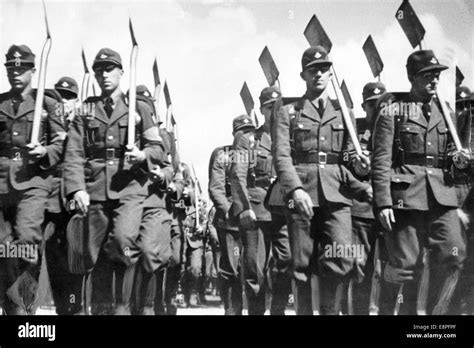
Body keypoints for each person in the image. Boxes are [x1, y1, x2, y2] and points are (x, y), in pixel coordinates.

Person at [63, 48, 167, 315]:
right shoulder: (86, 109)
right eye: (99, 69)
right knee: (93, 255)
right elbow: (74, 153)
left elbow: (158, 149)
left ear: (122, 72)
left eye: (110, 68)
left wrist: (142, 154)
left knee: (122, 242)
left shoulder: (139, 107)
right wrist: (76, 189)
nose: (104, 74)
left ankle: (123, 306)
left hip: (129, 188)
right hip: (95, 188)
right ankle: (101, 309)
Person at [271, 45, 371, 315]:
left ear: (330, 74)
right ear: (303, 75)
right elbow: (281, 156)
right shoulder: (288, 112)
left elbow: (349, 157)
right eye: (312, 70)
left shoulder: (344, 113)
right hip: (302, 194)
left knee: (341, 260)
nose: (319, 74)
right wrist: (295, 190)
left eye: (324, 69)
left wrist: (360, 165)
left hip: (337, 194)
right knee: (301, 265)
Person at [372, 50, 466, 315]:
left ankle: (436, 317)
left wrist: (461, 163)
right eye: (427, 76)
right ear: (412, 77)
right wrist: (383, 202)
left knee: (453, 256)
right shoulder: (394, 109)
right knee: (406, 269)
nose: (434, 80)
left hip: (442, 197)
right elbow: (381, 159)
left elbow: (452, 162)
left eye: (437, 75)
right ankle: (392, 306)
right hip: (406, 197)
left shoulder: (446, 111)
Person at [0, 44, 65, 315]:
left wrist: (45, 151)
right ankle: (12, 307)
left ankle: (25, 306)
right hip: (2, 183)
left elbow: (63, 143)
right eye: (11, 68)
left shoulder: (48, 104)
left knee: (26, 244)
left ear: (33, 70)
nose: (16, 73)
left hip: (34, 183)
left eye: (22, 68)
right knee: (3, 251)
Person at [231, 86, 292, 315]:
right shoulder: (247, 140)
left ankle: (278, 309)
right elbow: (237, 175)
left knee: (288, 260)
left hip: (285, 210)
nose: (274, 113)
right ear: (261, 109)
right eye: (269, 108)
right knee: (254, 269)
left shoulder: (290, 138)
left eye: (278, 108)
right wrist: (244, 208)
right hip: (257, 210)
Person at [44, 76, 85, 315]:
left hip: (76, 198)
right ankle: (63, 308)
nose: (64, 102)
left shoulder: (83, 123)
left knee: (77, 256)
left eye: (69, 97)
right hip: (51, 198)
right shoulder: (49, 123)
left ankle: (77, 306)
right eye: (60, 96)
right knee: (54, 257)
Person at [208, 114, 255, 314]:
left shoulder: (258, 153)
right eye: (241, 132)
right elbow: (215, 188)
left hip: (255, 218)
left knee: (254, 267)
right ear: (233, 133)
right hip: (230, 221)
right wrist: (228, 211)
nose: (245, 136)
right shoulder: (222, 154)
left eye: (249, 131)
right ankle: (232, 309)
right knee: (231, 269)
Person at [348, 82, 386, 315]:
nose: (377, 110)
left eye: (382, 105)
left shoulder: (396, 130)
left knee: (391, 268)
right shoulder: (354, 130)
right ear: (364, 106)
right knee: (360, 267)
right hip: (362, 209)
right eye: (372, 105)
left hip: (392, 207)